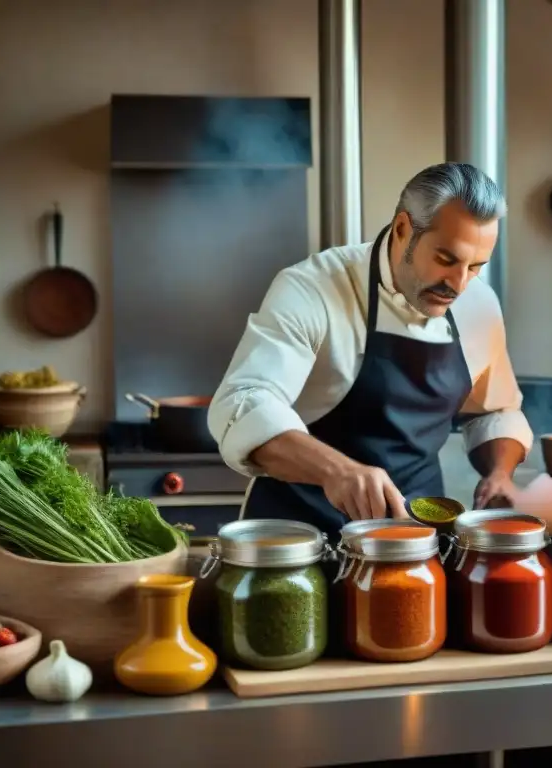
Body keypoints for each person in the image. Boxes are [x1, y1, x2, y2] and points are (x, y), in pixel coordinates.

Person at [207, 162, 533, 534]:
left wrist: (500, 473)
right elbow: (243, 402)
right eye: (446, 259)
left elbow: (493, 412)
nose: (459, 284)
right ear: (402, 229)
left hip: (414, 537)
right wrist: (338, 471)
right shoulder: (313, 289)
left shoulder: (479, 305)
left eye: (475, 266)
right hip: (297, 536)